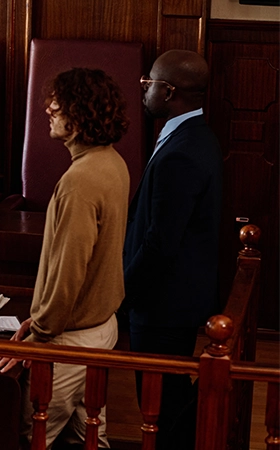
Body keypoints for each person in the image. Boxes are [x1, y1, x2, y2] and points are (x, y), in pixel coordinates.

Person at [0, 68, 130, 449]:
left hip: (70, 340)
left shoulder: (80, 181)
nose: (49, 109)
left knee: (29, 435)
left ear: (81, 113)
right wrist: (37, 320)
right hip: (101, 327)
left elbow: (69, 272)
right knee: (88, 437)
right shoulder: (112, 161)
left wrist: (40, 334)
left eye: (59, 102)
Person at [123, 49, 222, 450]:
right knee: (166, 398)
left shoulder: (182, 151)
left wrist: (122, 293)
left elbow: (160, 243)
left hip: (164, 301)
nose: (143, 89)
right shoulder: (193, 135)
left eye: (148, 83)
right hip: (173, 296)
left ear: (168, 91)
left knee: (159, 405)